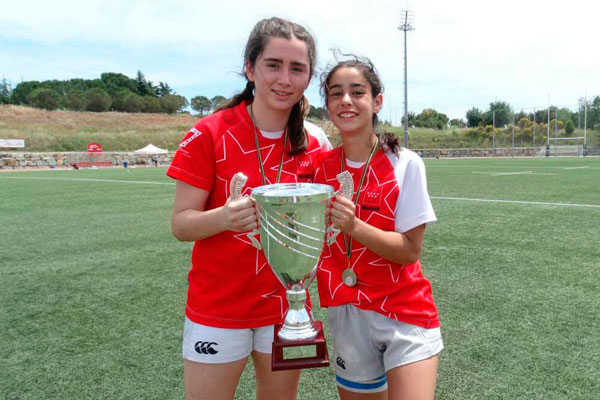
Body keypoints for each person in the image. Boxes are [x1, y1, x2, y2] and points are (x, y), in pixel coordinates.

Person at [166, 17, 331, 400]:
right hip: (218, 310)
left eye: (297, 68)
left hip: (286, 308)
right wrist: (224, 218)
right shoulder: (208, 133)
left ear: (308, 78)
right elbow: (180, 223)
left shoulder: (316, 143)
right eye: (273, 65)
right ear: (250, 67)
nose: (284, 78)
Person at [314, 55, 443, 400]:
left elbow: (409, 251)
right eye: (336, 93)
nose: (346, 101)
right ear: (327, 104)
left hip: (404, 311)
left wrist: (353, 226)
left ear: (376, 102)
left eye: (357, 92)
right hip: (347, 311)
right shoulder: (317, 170)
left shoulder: (405, 164)